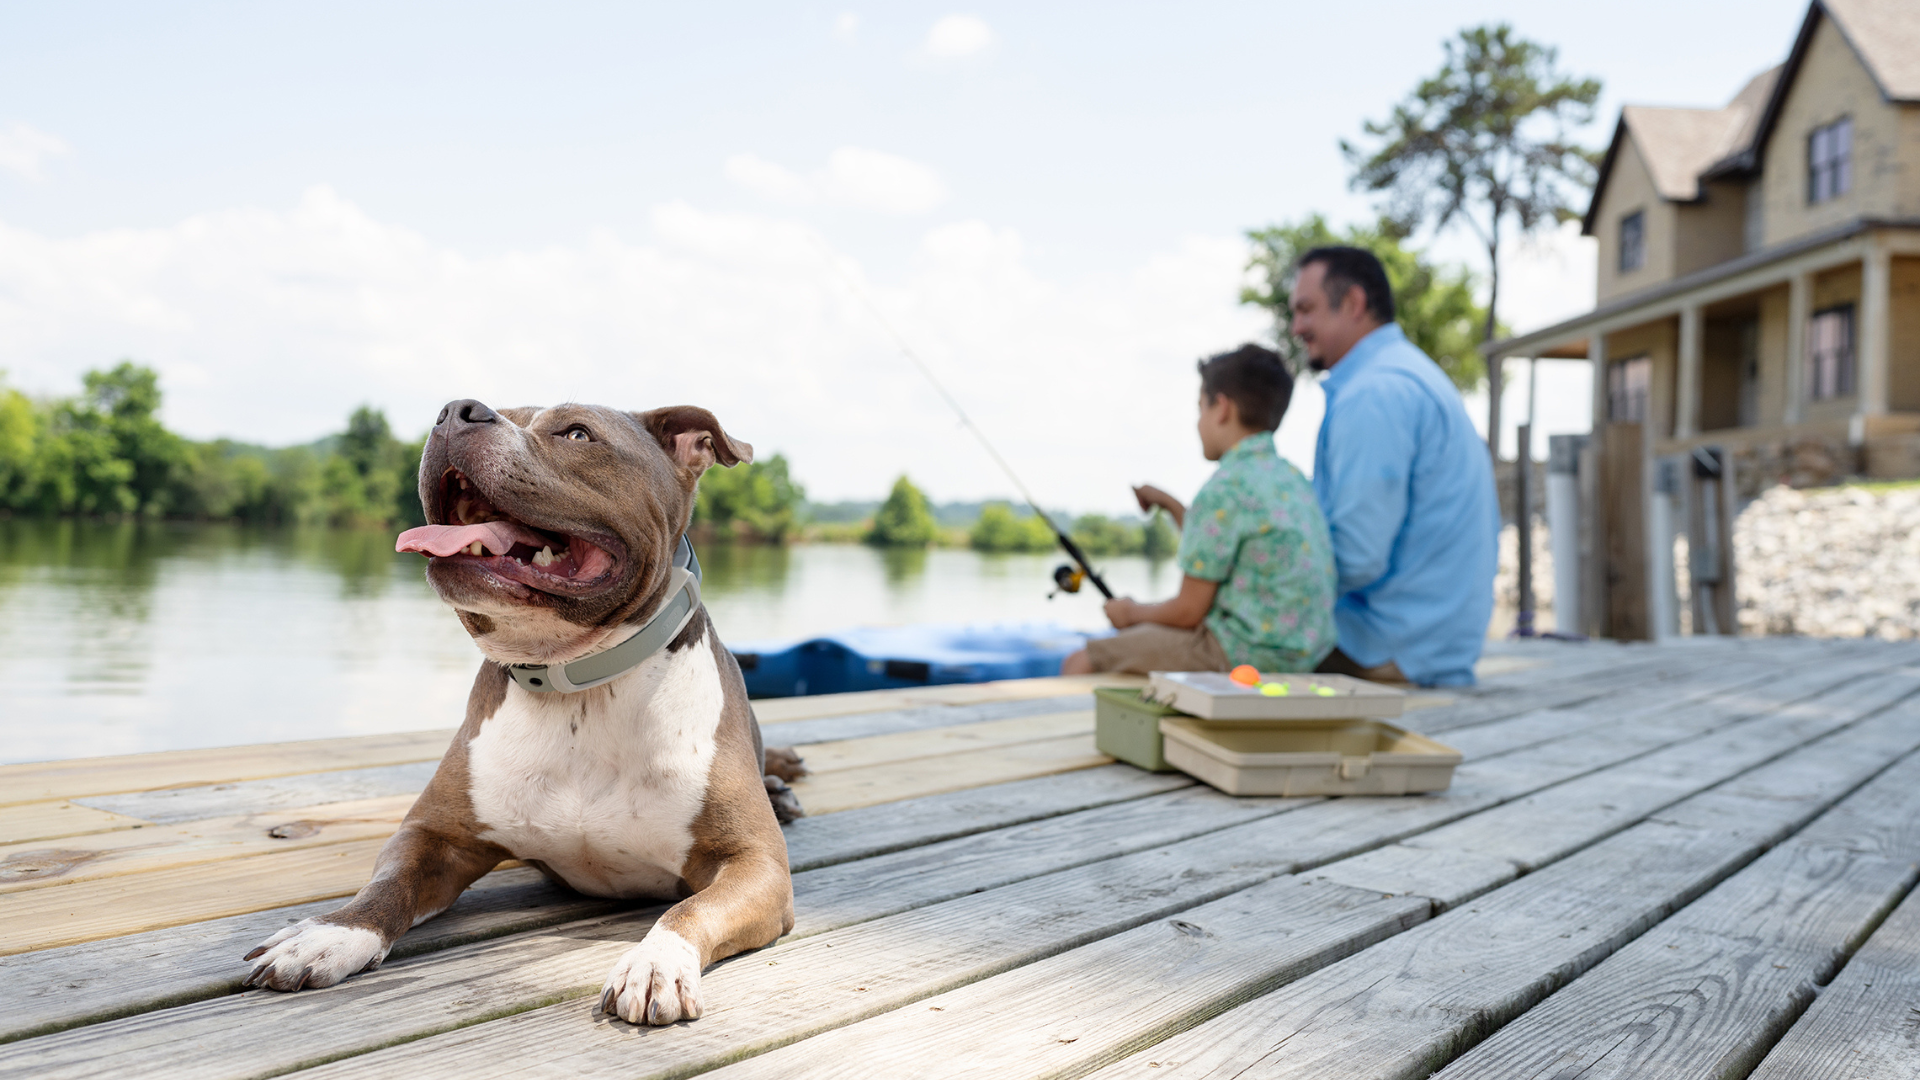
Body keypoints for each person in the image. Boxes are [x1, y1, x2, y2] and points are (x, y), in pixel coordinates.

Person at [1290, 246, 1498, 687]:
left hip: (1386, 649)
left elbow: (1354, 557)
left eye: (1306, 310)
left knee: (1206, 643)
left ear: (1353, 303)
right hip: (1433, 645)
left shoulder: (1374, 395)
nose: (1296, 328)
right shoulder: (1409, 374)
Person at [1060, 344, 1336, 676]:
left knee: (1082, 661)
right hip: (1303, 655)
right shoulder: (1291, 480)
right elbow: (1219, 545)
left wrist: (1131, 614)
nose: (1198, 422)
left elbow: (1188, 611)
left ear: (1221, 408)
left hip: (1240, 655)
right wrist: (1172, 505)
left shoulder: (1224, 487)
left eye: (1200, 409)